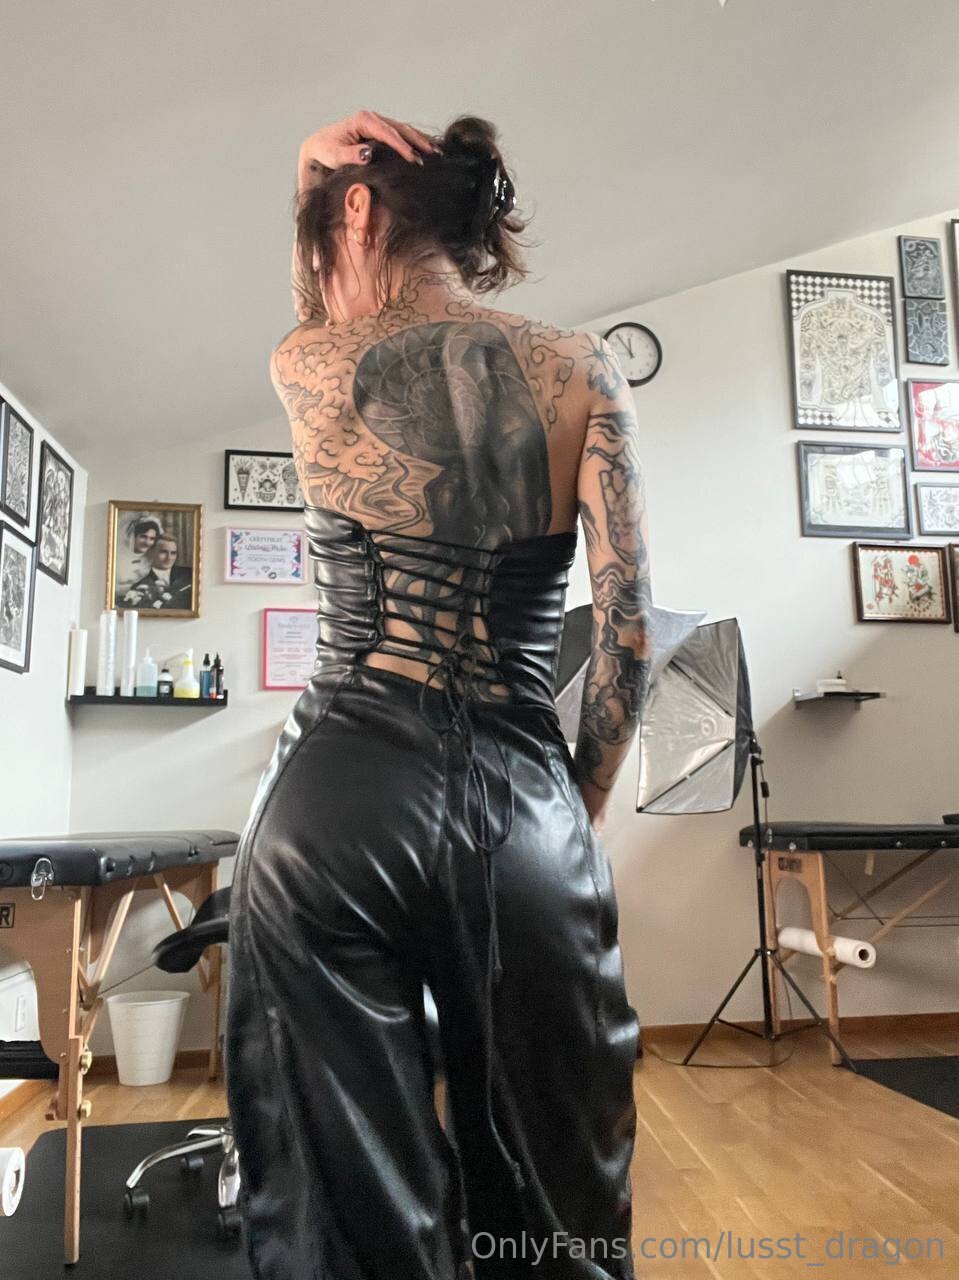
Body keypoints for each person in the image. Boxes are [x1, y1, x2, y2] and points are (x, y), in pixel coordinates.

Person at [225, 109, 652, 1280]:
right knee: (555, 1197)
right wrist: (570, 806)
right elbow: (623, 628)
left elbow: (325, 298)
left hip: (333, 798)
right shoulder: (582, 367)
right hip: (518, 800)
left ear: (358, 211)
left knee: (345, 1199)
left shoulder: (307, 360)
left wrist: (309, 172)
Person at [121, 531, 192, 610]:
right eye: (163, 552)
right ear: (151, 552)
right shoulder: (139, 586)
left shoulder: (190, 574)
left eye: (173, 553)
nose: (169, 557)